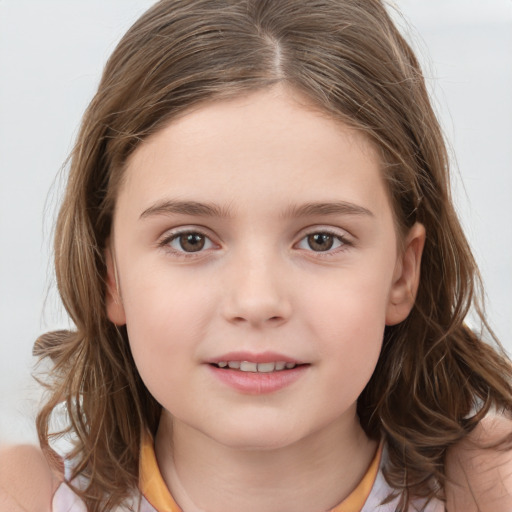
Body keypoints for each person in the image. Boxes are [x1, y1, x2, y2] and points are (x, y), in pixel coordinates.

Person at [1, 0, 511, 511]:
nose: (257, 300)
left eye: (321, 240)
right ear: (110, 274)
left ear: (402, 273)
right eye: (190, 240)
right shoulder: (29, 498)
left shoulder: (488, 491)